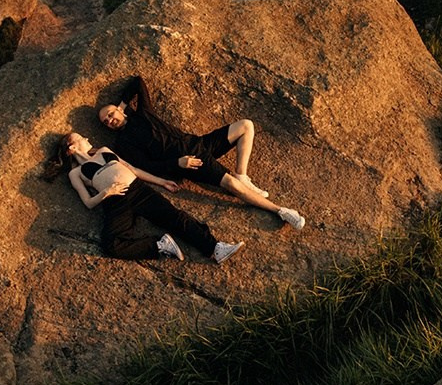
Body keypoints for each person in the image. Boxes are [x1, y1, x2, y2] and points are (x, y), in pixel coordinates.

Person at [98, 74, 305, 231]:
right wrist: (177, 164)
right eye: (105, 122)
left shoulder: (143, 113)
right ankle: (280, 211)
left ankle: (242, 174)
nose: (109, 120)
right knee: (231, 185)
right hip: (189, 160)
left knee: (246, 125)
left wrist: (122, 104)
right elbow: (148, 166)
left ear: (119, 110)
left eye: (110, 114)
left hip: (198, 143)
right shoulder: (123, 144)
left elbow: (138, 82)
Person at [47, 131, 244, 264]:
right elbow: (88, 202)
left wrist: (161, 181)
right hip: (114, 202)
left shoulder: (104, 151)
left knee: (175, 217)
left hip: (138, 190)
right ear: (71, 148)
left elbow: (133, 169)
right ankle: (159, 245)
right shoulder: (76, 173)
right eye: (81, 137)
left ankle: (215, 248)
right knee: (111, 245)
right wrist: (105, 193)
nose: (87, 138)